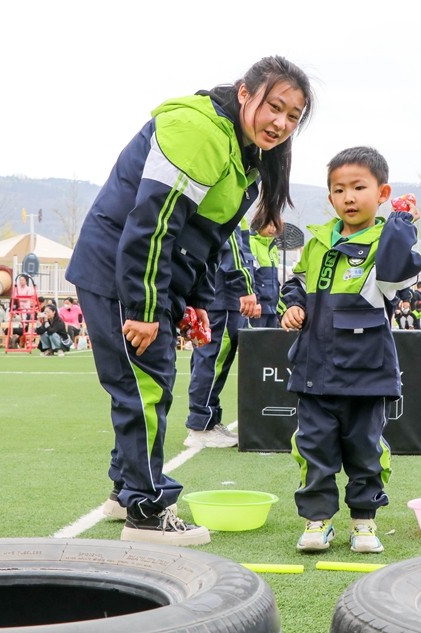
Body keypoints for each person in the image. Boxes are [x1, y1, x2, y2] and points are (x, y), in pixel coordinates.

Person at [64, 56, 313, 545]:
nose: (281, 123)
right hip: (119, 271)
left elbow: (207, 235)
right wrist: (144, 309)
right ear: (244, 93)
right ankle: (146, 511)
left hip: (148, 275)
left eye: (293, 116)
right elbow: (152, 223)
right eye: (275, 107)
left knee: (146, 385)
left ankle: (125, 492)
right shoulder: (198, 130)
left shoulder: (244, 151)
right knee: (145, 388)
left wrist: (196, 299)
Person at [278, 145, 421, 553]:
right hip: (314, 371)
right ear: (330, 198)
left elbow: (395, 275)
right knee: (313, 448)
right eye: (339, 190)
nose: (349, 197)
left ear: (382, 193)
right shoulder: (317, 242)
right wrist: (293, 306)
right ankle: (317, 520)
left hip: (366, 375)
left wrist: (401, 223)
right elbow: (297, 283)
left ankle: (364, 522)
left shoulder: (387, 242)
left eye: (359, 187)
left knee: (366, 452)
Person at [182, 224, 259, 448]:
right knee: (212, 359)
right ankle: (201, 425)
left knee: (211, 359)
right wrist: (245, 287)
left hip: (220, 296)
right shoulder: (230, 207)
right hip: (223, 298)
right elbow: (232, 249)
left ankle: (208, 420)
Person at [248, 220, 281, 328]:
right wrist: (256, 302)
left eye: (275, 226)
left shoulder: (273, 247)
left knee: (272, 338)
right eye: (270, 225)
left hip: (273, 308)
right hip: (258, 307)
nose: (273, 229)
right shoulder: (252, 242)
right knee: (256, 337)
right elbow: (250, 275)